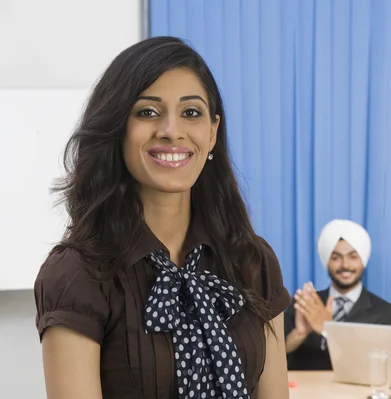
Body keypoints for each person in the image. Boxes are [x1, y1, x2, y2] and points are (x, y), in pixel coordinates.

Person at [33, 36, 292, 399]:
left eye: (191, 112)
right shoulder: (78, 273)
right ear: (117, 128)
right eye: (148, 112)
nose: (171, 130)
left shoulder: (253, 260)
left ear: (213, 132)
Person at [284, 219, 391, 370]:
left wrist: (327, 330)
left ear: (363, 260)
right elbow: (274, 359)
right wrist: (299, 334)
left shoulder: (386, 314)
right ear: (326, 262)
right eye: (336, 257)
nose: (345, 265)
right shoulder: (306, 304)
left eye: (353, 257)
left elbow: (380, 368)